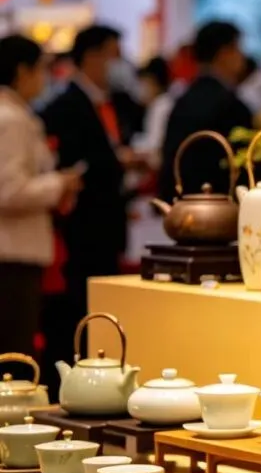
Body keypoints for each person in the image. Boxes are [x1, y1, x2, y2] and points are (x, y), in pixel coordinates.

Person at [42, 26, 130, 369]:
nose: (118, 63)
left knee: (100, 309)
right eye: (113, 55)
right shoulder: (65, 106)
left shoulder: (110, 102)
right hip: (81, 228)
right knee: (78, 309)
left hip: (105, 225)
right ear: (92, 56)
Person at [0, 36, 83, 358]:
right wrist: (59, 184)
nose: (44, 78)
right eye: (40, 69)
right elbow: (9, 191)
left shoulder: (15, 115)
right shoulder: (10, 120)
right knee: (13, 353)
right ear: (22, 71)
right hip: (12, 254)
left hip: (14, 251)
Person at [159, 21, 251, 198]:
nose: (242, 57)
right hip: (221, 205)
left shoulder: (182, 101)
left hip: (181, 203)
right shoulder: (231, 106)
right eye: (238, 49)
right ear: (224, 53)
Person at [132, 56, 174, 172]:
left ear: (154, 82)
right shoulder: (158, 104)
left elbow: (154, 145)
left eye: (144, 84)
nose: (141, 89)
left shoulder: (161, 106)